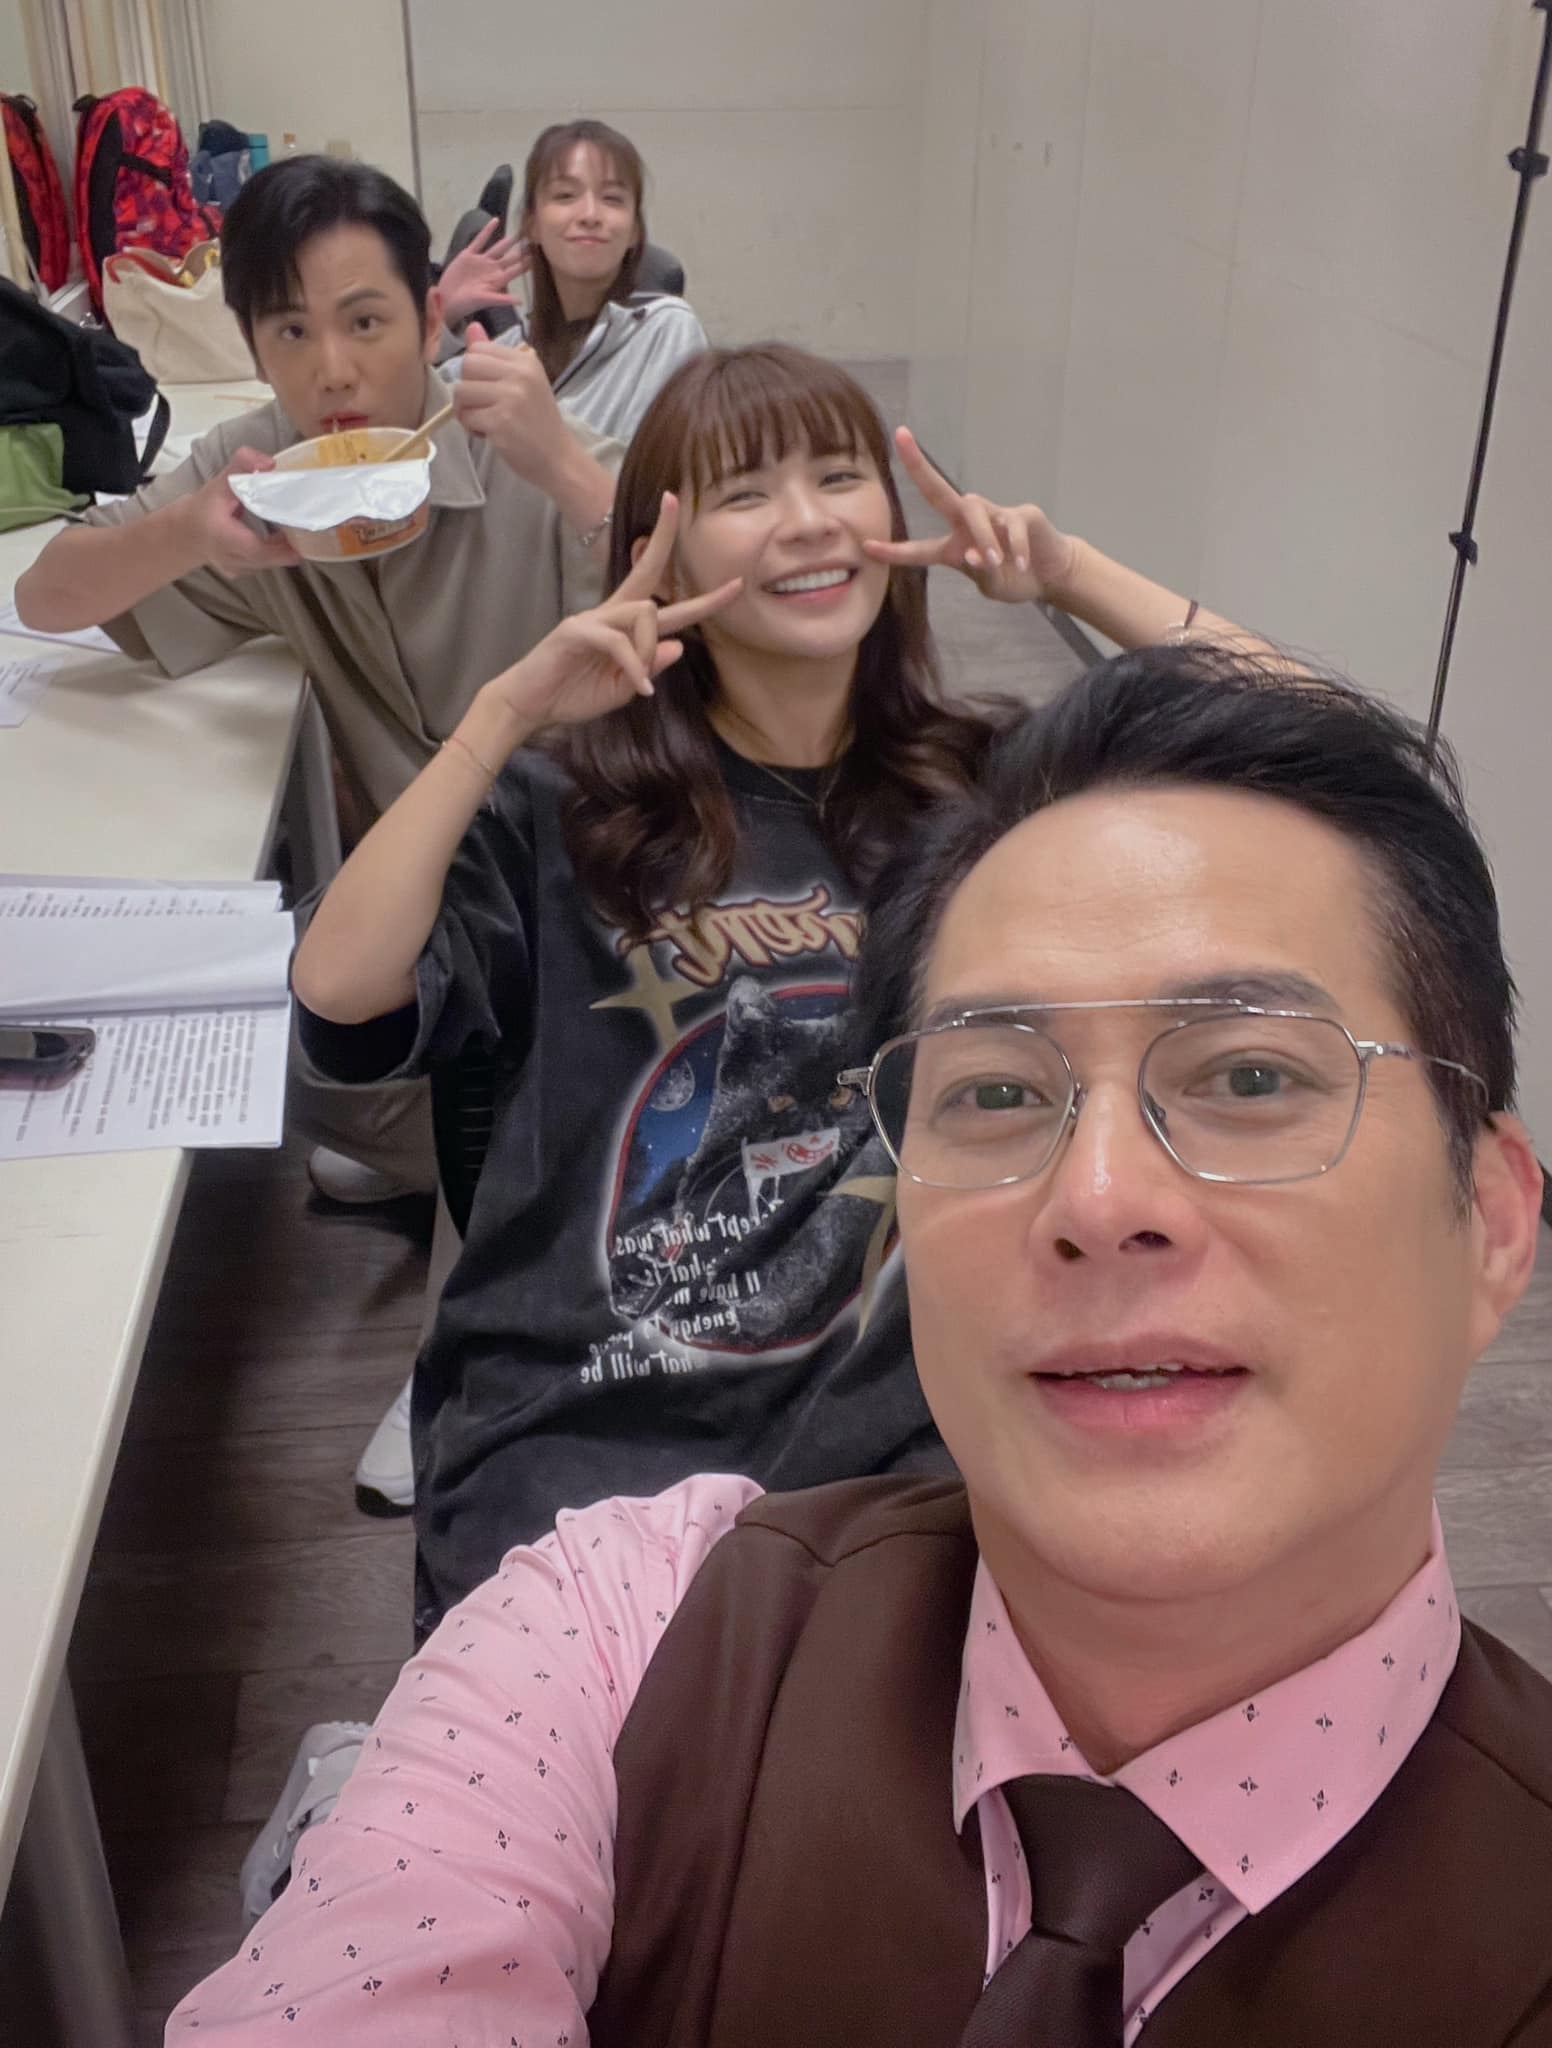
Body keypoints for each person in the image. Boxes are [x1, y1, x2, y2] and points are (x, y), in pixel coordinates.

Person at [167, 650, 1550, 2043]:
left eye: (1250, 1076)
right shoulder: (633, 1637)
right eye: (998, 1092)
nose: (1098, 1198)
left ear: (1494, 1222)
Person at [296, 342, 1260, 1611]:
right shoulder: (561, 808)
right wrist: (501, 716)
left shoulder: (986, 787)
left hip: (894, 1450)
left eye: (839, 475)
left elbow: (1315, 735)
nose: (807, 520)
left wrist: (1067, 573)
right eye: (745, 492)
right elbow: (339, 992)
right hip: (585, 1431)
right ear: (661, 550)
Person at [15, 154, 621, 1205]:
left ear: (430, 322)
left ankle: (523, 1158)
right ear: (253, 346)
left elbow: (718, 609)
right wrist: (186, 533)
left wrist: (568, 469)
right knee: (278, 1064)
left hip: (597, 893)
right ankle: (484, 1148)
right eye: (290, 331)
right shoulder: (259, 472)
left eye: (365, 322)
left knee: (555, 1095)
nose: (333, 371)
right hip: (419, 919)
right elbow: (47, 597)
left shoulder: (525, 446)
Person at [438, 119, 708, 445]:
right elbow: (413, 424)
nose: (590, 214)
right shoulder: (513, 348)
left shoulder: (666, 329)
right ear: (532, 224)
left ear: (635, 231)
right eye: (565, 195)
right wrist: (440, 315)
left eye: (612, 198)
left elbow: (655, 469)